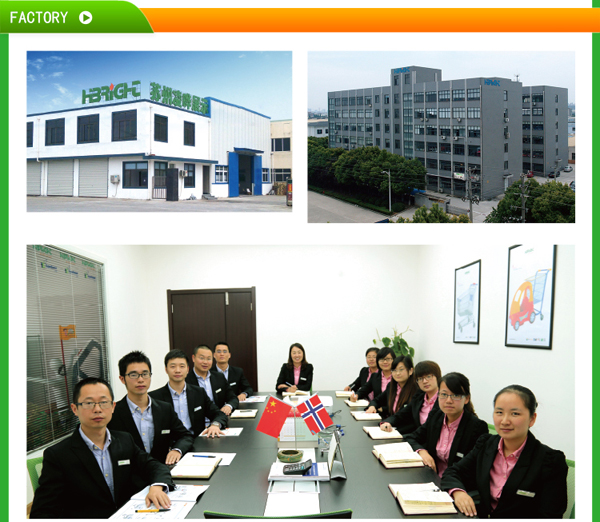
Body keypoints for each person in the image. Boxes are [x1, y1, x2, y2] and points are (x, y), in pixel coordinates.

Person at [30, 377, 175, 519]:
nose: (98, 409)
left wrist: (156, 486)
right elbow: (42, 512)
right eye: (89, 403)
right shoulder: (58, 455)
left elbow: (154, 465)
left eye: (104, 402)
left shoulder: (124, 440)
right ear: (75, 409)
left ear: (113, 407)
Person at [441, 385, 568, 519]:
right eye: (499, 412)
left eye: (515, 414)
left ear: (532, 419)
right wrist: (458, 492)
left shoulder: (551, 461)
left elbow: (550, 516)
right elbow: (453, 472)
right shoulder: (486, 444)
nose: (505, 421)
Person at [108, 351, 193, 466]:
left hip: (163, 472)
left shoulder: (164, 409)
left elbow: (185, 436)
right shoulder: (113, 413)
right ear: (122, 379)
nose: (141, 380)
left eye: (145, 374)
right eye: (133, 375)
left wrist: (176, 450)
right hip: (130, 478)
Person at [404, 372, 488, 478]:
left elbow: (470, 469)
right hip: (430, 477)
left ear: (466, 399)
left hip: (456, 485)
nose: (448, 401)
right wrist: (422, 452)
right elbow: (412, 438)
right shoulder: (436, 416)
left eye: (456, 395)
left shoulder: (477, 427)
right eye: (444, 394)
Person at [149, 350, 227, 438]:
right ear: (166, 369)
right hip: (171, 446)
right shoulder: (155, 397)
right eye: (173, 366)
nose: (177, 370)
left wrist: (215, 425)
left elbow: (219, 414)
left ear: (187, 369)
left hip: (197, 443)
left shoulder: (199, 393)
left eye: (182, 366)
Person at [380, 360, 441, 435]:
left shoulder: (443, 399)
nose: (425, 381)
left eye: (428, 376)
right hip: (418, 439)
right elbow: (403, 414)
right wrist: (387, 422)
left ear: (438, 377)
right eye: (420, 378)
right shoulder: (419, 397)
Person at [185, 344, 239, 415]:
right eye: (201, 358)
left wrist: (228, 406)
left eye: (209, 359)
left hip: (219, 420)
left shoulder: (219, 377)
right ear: (193, 358)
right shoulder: (186, 380)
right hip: (197, 424)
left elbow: (233, 398)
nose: (205, 362)